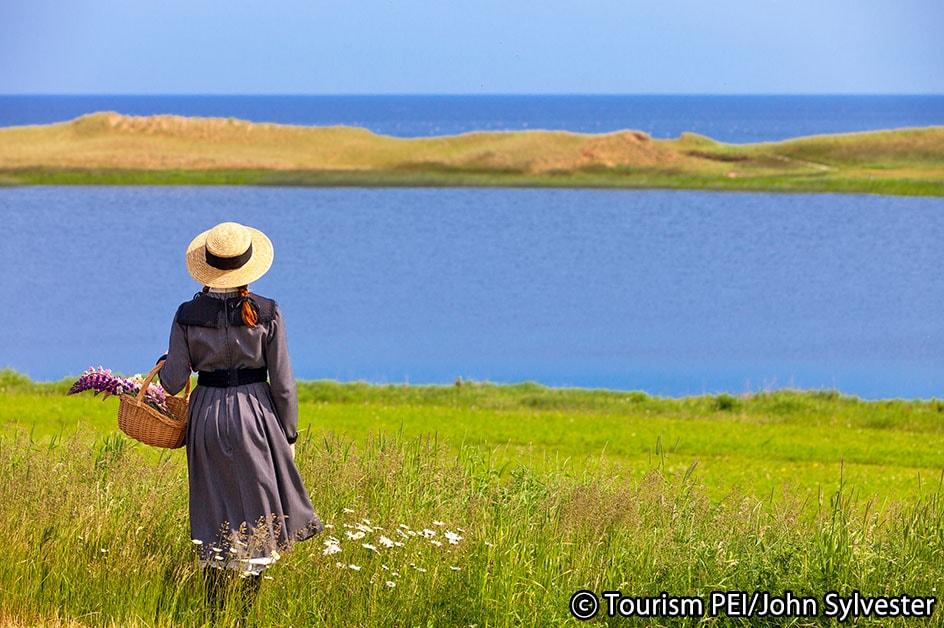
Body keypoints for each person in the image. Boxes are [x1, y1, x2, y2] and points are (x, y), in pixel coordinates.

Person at [156, 221, 324, 620]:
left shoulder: (186, 314)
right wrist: (289, 434)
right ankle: (244, 614)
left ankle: (213, 613)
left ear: (207, 266)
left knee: (212, 506)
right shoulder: (268, 311)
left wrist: (164, 363)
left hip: (206, 418)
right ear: (248, 266)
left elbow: (174, 381)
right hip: (256, 416)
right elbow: (283, 383)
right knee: (257, 510)